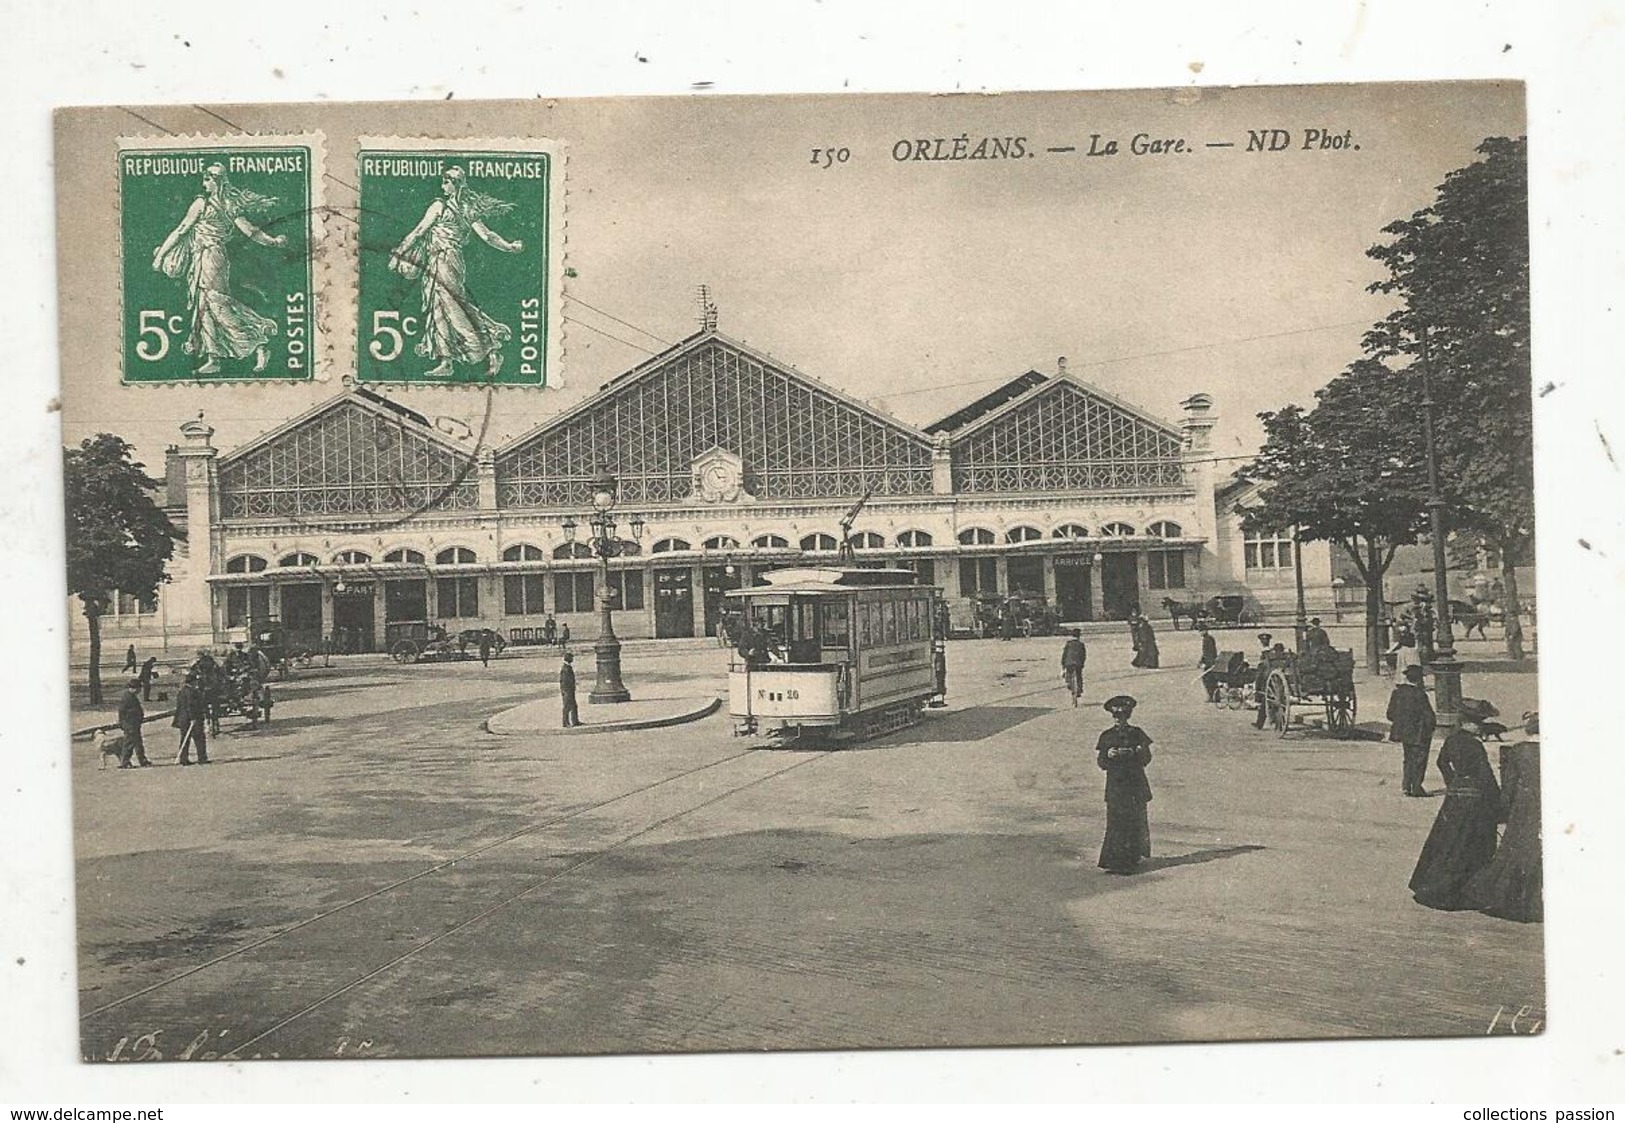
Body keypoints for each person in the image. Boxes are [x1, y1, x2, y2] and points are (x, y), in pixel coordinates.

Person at [151, 163, 288, 375]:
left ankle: (259, 341)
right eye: (204, 179)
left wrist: (160, 256)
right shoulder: (227, 203)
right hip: (205, 258)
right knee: (203, 304)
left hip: (210, 257)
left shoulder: (203, 203)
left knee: (215, 303)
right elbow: (251, 231)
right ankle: (213, 357)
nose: (204, 183)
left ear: (217, 181)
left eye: (208, 179)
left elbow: (181, 230)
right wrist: (274, 242)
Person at [389, 166, 524, 378]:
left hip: (446, 261)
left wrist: (399, 253)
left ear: (456, 184)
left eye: (447, 180)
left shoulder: (440, 206)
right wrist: (509, 246)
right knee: (439, 308)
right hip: (440, 261)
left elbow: (419, 231)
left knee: (452, 307)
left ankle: (488, 349)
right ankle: (447, 361)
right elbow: (488, 236)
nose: (443, 184)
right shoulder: (465, 208)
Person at [1409, 699, 1503, 910]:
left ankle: (1431, 886)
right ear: (1468, 724)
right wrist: (1497, 803)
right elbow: (1485, 776)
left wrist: (1452, 781)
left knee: (1448, 842)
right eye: (1478, 723)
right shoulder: (1474, 745)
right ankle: (1458, 891)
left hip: (1455, 798)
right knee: (1470, 845)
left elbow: (1441, 762)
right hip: (1474, 800)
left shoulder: (1452, 740)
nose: (1480, 727)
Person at [1466, 712, 1543, 923]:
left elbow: (1509, 787)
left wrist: (1502, 810)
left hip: (1524, 805)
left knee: (1515, 846)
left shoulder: (1518, 751)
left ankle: (1507, 896)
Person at [1096, 695, 1154, 874]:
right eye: (1116, 717)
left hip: (1135, 784)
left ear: (1128, 716)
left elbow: (1146, 759)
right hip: (1116, 785)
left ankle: (1131, 860)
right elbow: (1101, 762)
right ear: (1112, 717)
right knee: (1115, 822)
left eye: (1123, 716)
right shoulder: (1107, 736)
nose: (1119, 720)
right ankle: (1114, 861)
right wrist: (1109, 754)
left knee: (1134, 820)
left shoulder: (1137, 734)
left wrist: (1137, 751)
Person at [1385, 664, 1437, 796]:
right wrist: (1430, 728)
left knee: (1408, 758)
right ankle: (1416, 788)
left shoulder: (1397, 693)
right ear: (1419, 680)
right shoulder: (1420, 695)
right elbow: (1429, 716)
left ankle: (1406, 786)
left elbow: (1390, 714)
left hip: (1403, 733)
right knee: (1419, 760)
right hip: (1419, 733)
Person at [173, 670, 210, 765]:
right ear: (193, 682)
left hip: (183, 719)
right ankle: (202, 758)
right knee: (199, 738)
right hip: (192, 719)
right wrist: (193, 717)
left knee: (185, 739)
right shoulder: (191, 692)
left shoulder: (182, 692)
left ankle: (183, 758)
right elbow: (190, 705)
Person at [116, 678, 151, 768]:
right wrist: (125, 724)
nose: (140, 690)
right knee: (129, 743)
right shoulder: (127, 697)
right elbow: (123, 712)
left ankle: (142, 759)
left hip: (134, 724)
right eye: (139, 688)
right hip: (130, 724)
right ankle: (125, 762)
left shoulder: (131, 696)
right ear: (133, 688)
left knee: (138, 743)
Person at [1060, 629, 1087, 707]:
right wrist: (1082, 664)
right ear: (1079, 636)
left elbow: (1064, 655)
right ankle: (1079, 689)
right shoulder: (1081, 644)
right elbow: (1083, 655)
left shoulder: (1068, 644)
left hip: (1069, 663)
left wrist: (1063, 664)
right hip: (1078, 663)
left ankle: (1070, 685)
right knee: (1079, 676)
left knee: (1069, 675)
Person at [559, 652, 581, 728]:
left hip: (569, 690)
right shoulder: (565, 668)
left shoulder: (567, 667)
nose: (572, 659)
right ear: (568, 659)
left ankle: (575, 721)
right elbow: (565, 681)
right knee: (567, 706)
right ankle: (565, 722)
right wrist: (566, 691)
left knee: (574, 706)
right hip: (567, 690)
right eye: (571, 658)